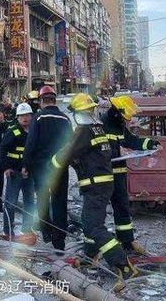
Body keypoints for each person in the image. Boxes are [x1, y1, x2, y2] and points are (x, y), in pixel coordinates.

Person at [53, 93, 137, 289]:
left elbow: (63, 156)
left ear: (76, 113)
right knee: (89, 220)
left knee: (93, 227)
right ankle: (90, 256)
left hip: (95, 186)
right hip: (102, 184)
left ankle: (123, 265)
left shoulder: (83, 132)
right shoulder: (98, 129)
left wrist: (50, 164)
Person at [103, 96, 162, 255]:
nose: (126, 121)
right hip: (104, 175)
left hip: (119, 174)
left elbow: (132, 141)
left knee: (122, 208)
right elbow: (97, 151)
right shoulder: (101, 125)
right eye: (124, 117)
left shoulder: (120, 126)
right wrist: (115, 152)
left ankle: (127, 241)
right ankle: (99, 244)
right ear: (116, 113)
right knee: (99, 211)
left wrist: (150, 143)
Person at [23, 85, 72, 251]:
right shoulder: (65, 118)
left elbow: (31, 144)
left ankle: (46, 232)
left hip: (40, 168)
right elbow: (71, 144)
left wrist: (26, 165)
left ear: (42, 101)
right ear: (54, 99)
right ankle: (60, 241)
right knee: (60, 202)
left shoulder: (38, 118)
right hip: (60, 168)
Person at [0, 103, 36, 238]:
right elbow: (2, 150)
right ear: (17, 118)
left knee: (30, 202)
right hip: (14, 172)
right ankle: (8, 231)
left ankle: (27, 229)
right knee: (10, 203)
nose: (25, 118)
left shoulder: (34, 131)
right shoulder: (13, 131)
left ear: (31, 116)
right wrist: (6, 168)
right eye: (22, 116)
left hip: (29, 173)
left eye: (27, 115)